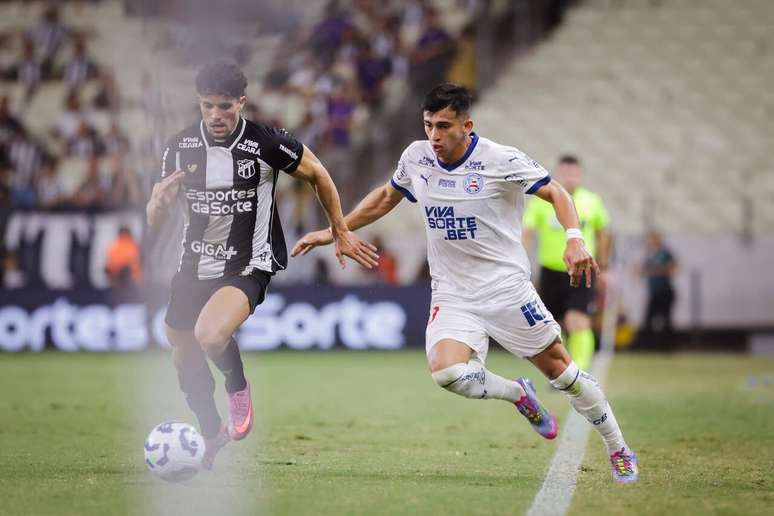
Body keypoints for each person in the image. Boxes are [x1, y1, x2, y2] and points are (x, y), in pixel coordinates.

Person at [293, 83, 638, 483]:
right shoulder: (417, 157)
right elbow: (387, 196)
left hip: (505, 290)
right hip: (453, 292)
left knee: (563, 375)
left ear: (467, 126)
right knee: (448, 373)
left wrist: (574, 238)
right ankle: (518, 394)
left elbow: (556, 192)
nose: (434, 136)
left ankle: (618, 447)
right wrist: (335, 230)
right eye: (428, 125)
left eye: (443, 126)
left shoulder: (500, 159)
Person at [146, 60, 378, 470]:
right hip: (193, 265)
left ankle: (237, 386)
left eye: (224, 106)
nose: (215, 115)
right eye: (207, 106)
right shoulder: (179, 147)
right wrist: (158, 206)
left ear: (241, 102)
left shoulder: (266, 143)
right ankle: (211, 430)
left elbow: (319, 174)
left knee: (210, 335)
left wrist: (339, 229)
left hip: (248, 263)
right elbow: (155, 218)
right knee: (182, 354)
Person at [522, 155, 611, 371]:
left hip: (581, 269)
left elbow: (603, 233)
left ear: (580, 175)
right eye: (565, 172)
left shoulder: (591, 201)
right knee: (555, 325)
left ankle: (580, 371)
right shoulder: (541, 201)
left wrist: (604, 265)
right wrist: (521, 266)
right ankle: (565, 369)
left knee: (577, 319)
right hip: (550, 271)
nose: (570, 177)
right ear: (557, 174)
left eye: (574, 172)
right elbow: (527, 232)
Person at [638, 230, 677, 345]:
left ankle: (667, 344)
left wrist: (655, 270)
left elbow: (673, 268)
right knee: (649, 318)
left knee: (665, 318)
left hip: (664, 291)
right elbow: (643, 270)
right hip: (654, 292)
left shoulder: (664, 253)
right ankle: (648, 343)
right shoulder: (650, 254)